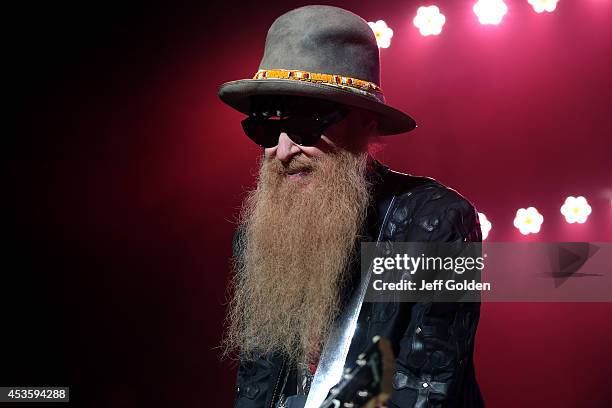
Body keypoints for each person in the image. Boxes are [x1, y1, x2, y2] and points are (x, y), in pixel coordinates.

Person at [219, 5, 484, 407]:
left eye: (307, 125)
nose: (284, 150)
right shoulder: (256, 236)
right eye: (266, 128)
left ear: (366, 123)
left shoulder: (436, 221)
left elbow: (426, 388)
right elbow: (257, 383)